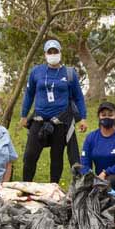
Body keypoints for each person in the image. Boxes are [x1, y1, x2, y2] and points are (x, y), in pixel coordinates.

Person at [21, 39, 86, 184]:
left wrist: (83, 118)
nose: (52, 54)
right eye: (49, 52)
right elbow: (29, 94)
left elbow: (79, 97)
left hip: (60, 121)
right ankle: (26, 185)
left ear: (60, 53)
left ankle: (53, 186)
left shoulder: (69, 73)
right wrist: (24, 115)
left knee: (56, 156)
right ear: (45, 54)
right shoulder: (36, 72)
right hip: (39, 119)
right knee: (30, 155)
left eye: (55, 51)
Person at [80, 101, 115, 189]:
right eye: (103, 115)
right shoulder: (91, 138)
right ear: (99, 117)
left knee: (108, 183)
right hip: (100, 179)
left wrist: (106, 172)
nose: (107, 117)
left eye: (110, 115)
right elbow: (85, 161)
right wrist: (88, 177)